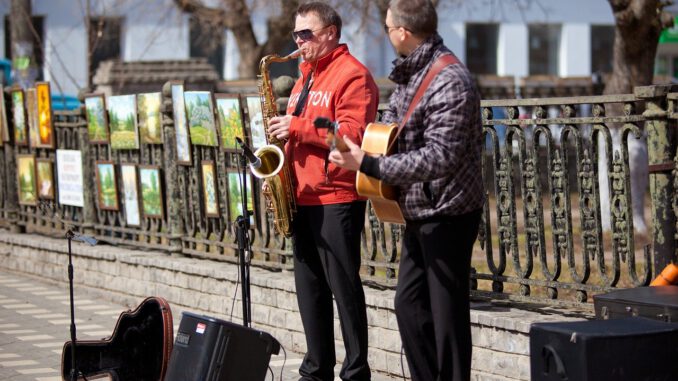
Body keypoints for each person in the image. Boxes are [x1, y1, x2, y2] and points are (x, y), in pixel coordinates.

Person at [328, 1, 484, 380]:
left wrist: (369, 164)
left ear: (402, 32)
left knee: (446, 316)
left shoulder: (450, 80)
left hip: (449, 210)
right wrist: (360, 143)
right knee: (410, 306)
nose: (386, 33)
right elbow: (395, 128)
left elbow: (439, 158)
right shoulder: (414, 73)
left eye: (386, 27)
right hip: (421, 209)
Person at [267, 2, 379, 380]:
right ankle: (316, 370)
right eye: (295, 34)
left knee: (344, 291)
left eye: (306, 34)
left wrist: (297, 127)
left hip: (337, 196)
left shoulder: (353, 76)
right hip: (303, 195)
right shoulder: (304, 76)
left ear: (330, 33)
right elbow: (309, 125)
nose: (298, 41)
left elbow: (349, 137)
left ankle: (355, 371)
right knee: (310, 291)